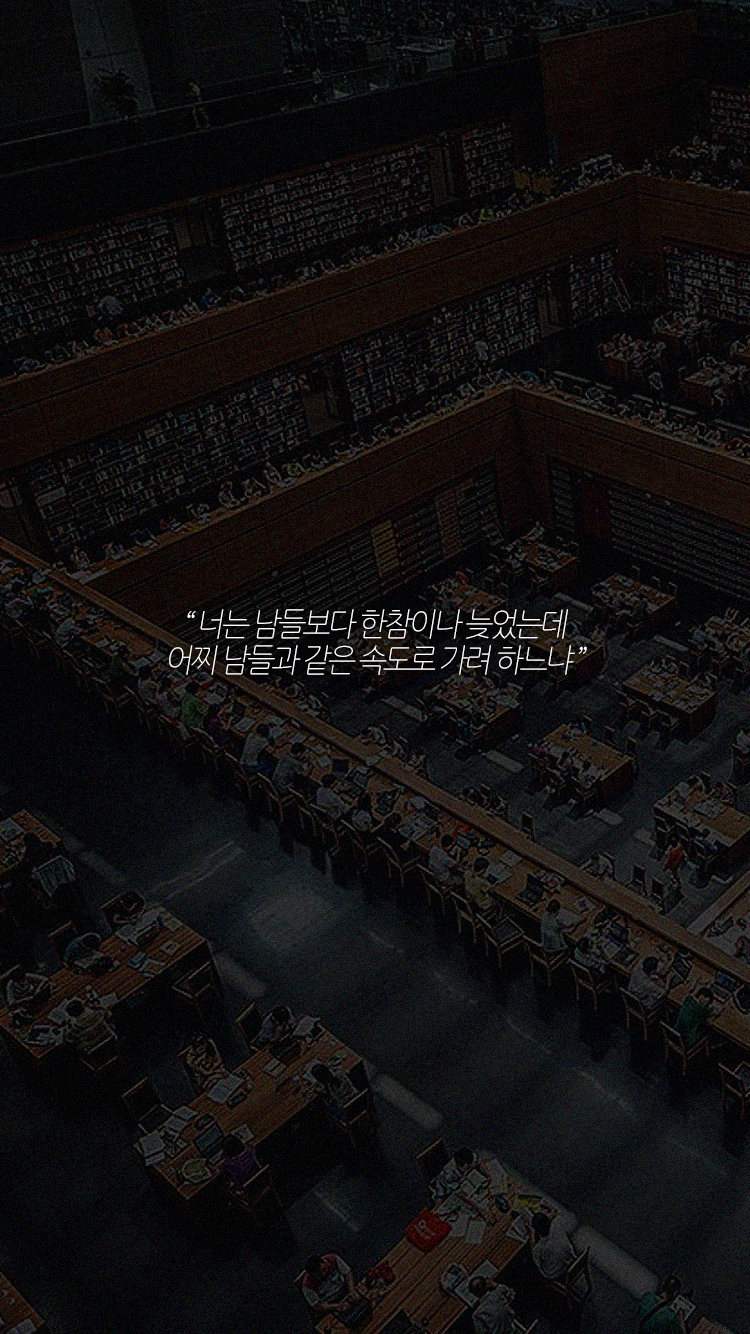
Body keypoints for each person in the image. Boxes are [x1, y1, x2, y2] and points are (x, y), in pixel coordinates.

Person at [431, 1146, 491, 1214]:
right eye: (468, 1167)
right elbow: (462, 1195)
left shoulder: (469, 1157)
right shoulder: (449, 1173)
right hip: (444, 1189)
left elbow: (479, 1163)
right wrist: (478, 1207)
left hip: (461, 1181)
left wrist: (488, 1175)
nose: (470, 1167)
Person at [530, 1211, 577, 1280]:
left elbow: (537, 1263)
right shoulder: (557, 1224)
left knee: (533, 1268)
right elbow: (556, 1216)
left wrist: (532, 1240)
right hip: (571, 1260)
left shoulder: (538, 1249)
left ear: (536, 1231)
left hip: (558, 1274)